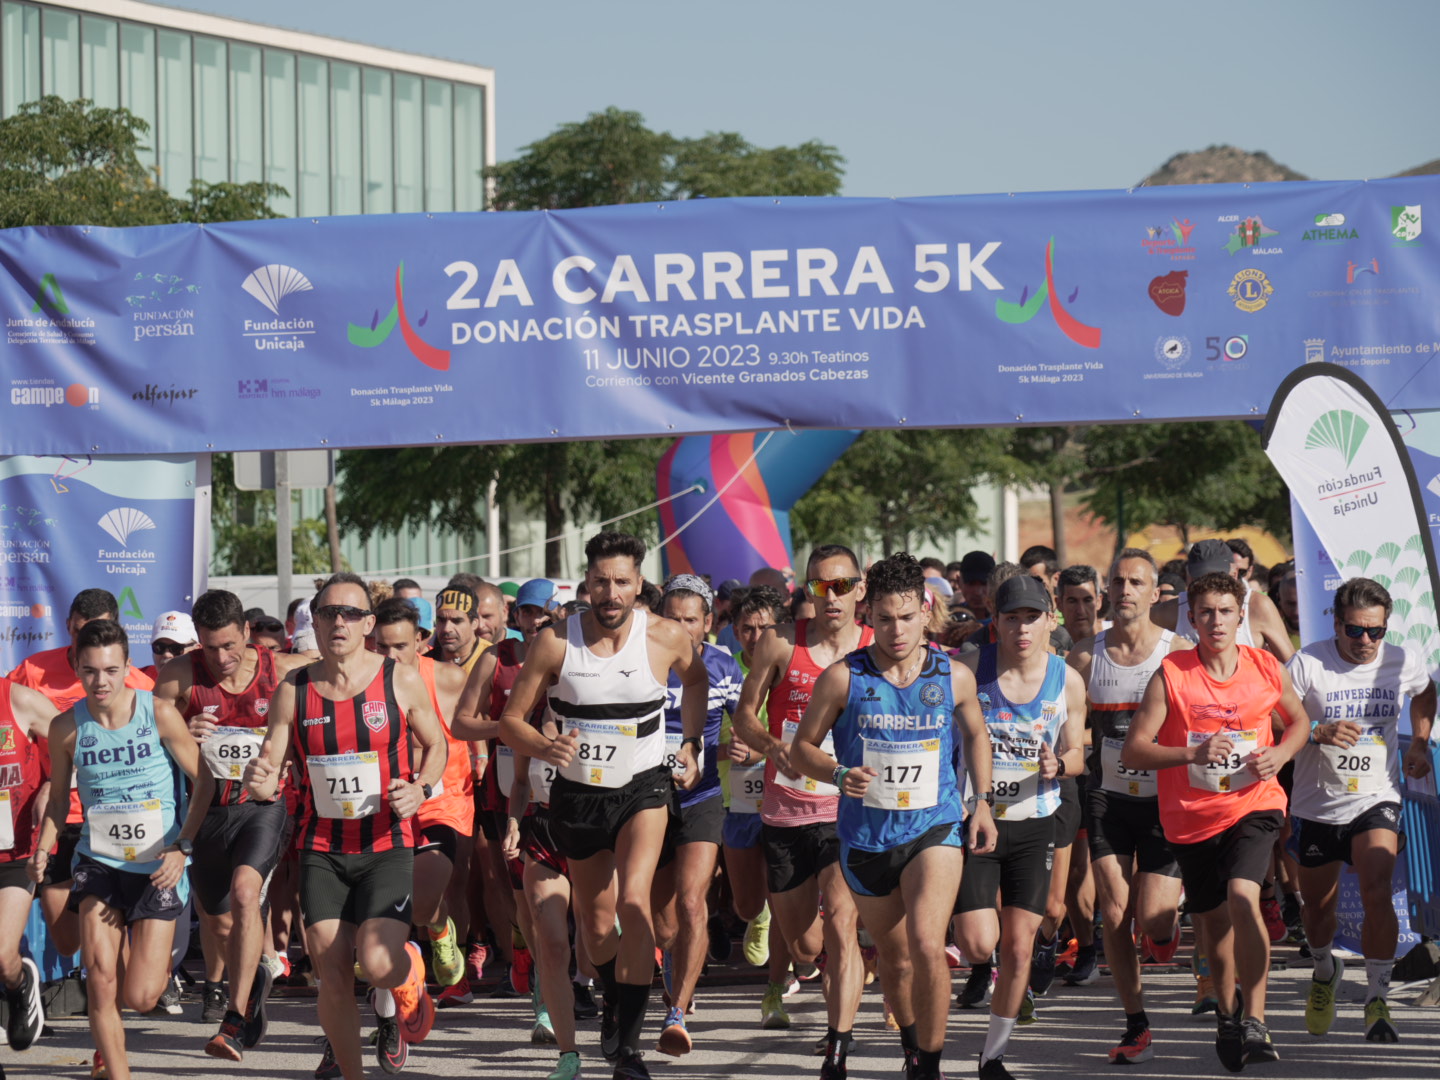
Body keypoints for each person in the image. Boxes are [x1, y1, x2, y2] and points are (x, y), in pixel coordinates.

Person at [498, 532, 707, 1080]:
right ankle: (616, 999)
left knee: (635, 903)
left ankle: (629, 1050)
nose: (610, 594)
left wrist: (691, 744)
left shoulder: (665, 636)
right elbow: (510, 721)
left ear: (639, 584)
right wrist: (545, 745)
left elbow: (697, 683)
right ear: (585, 583)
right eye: (600, 582)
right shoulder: (554, 642)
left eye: (621, 582)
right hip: (578, 795)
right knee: (595, 929)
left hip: (644, 788)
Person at [793, 553, 998, 1080]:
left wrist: (983, 801)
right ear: (868, 615)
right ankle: (912, 1043)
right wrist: (839, 775)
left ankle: (929, 1067)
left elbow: (976, 733)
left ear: (925, 610)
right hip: (866, 838)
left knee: (930, 944)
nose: (896, 629)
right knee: (896, 958)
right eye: (884, 619)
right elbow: (802, 749)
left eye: (906, 617)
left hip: (935, 826)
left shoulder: (952, 675)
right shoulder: (843, 678)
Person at [243, 573, 447, 1080]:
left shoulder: (397, 678)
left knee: (377, 963)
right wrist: (260, 778)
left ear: (369, 624)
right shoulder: (294, 688)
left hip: (385, 843)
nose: (340, 621)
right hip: (322, 849)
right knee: (331, 974)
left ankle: (408, 973)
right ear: (314, 619)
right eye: (329, 612)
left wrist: (420, 787)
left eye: (351, 613)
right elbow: (270, 765)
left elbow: (437, 744)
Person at [1122, 572, 1310, 1071]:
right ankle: (1227, 1012)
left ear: (1240, 614)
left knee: (1244, 895)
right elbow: (1136, 748)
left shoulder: (1265, 667)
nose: (1216, 621)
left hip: (1255, 803)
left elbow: (1300, 721)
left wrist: (1281, 754)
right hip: (1192, 818)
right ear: (1193, 617)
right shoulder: (1173, 674)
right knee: (1213, 925)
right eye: (1205, 612)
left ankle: (1256, 1017)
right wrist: (1192, 753)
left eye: (1225, 611)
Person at [29, 619, 211, 1080]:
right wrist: (45, 846)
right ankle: (117, 1068)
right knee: (99, 974)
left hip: (158, 866)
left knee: (141, 996)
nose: (101, 681)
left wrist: (182, 847)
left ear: (127, 667)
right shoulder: (66, 727)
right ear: (77, 668)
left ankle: (115, 1041)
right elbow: (56, 799)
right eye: (90, 671)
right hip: (99, 861)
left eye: (111, 670)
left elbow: (204, 781)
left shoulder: (159, 713)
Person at [731, 544, 873, 1079]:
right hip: (787, 810)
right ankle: (820, 968)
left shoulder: (873, 644)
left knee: (841, 924)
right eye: (820, 585)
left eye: (841, 585)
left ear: (859, 588)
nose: (830, 596)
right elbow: (745, 716)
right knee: (806, 944)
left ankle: (838, 1041)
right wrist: (772, 746)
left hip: (847, 809)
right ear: (806, 588)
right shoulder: (779, 644)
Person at [153, 589, 309, 1059]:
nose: (221, 658)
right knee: (220, 925)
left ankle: (234, 1021)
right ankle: (260, 970)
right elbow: (153, 733)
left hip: (265, 807)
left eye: (229, 645)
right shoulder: (178, 677)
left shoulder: (281, 670)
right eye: (208, 647)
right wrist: (183, 730)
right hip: (208, 810)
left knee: (247, 892)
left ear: (246, 632)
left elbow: (327, 705)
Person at [1288, 577, 1436, 1043]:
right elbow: (1274, 715)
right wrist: (1316, 730)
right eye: (1355, 631)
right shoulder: (1308, 663)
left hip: (1378, 796)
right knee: (1318, 910)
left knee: (1376, 885)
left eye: (1376, 631)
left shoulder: (1400, 660)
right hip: (1318, 803)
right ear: (1336, 623)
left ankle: (1377, 998)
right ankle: (1324, 968)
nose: (1366, 642)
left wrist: (1422, 741)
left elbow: (1426, 691)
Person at [955, 574, 1086, 1080]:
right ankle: (978, 969)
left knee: (1018, 946)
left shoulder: (1066, 679)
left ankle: (993, 1056)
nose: (1023, 628)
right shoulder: (968, 670)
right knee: (976, 944)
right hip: (978, 822)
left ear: (1050, 621)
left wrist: (1062, 765)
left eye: (1033, 617)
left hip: (1035, 823)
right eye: (1012, 618)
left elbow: (1077, 751)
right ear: (997, 622)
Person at [1065, 550, 1192, 1064]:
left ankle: (1165, 931)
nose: (1124, 591)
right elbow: (1066, 726)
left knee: (1153, 918)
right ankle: (1136, 1022)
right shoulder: (1084, 656)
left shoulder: (1178, 652)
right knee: (1114, 910)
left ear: (1155, 591)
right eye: (1116, 582)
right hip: (1108, 799)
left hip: (1166, 803)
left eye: (1136, 582)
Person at [8, 588, 154, 965]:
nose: (82, 640)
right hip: (60, 817)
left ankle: (115, 993)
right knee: (67, 938)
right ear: (67, 627)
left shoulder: (139, 684)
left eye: (93, 631)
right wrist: (45, 783)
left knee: (105, 924)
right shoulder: (34, 671)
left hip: (115, 815)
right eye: (74, 631)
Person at [650, 575, 742, 1057]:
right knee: (663, 924)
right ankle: (673, 963)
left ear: (708, 622)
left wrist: (745, 741)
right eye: (674, 618)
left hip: (701, 797)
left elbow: (744, 717)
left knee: (692, 903)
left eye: (692, 620)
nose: (683, 629)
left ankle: (677, 1013)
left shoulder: (723, 665)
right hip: (646, 800)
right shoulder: (643, 660)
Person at [368, 598, 474, 1008]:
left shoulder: (448, 677)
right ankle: (398, 970)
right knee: (392, 896)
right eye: (381, 646)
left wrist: (482, 758)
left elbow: (465, 726)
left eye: (399, 646)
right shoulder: (361, 681)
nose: (389, 655)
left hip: (437, 799)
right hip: (383, 802)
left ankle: (439, 928)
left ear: (420, 640)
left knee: (424, 897)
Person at [720, 586, 794, 1028]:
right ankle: (758, 914)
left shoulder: (793, 670)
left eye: (764, 626)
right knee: (748, 905)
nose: (755, 635)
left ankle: (774, 991)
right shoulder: (725, 674)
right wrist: (730, 752)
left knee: (785, 902)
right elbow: (703, 745)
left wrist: (764, 753)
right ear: (734, 631)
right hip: (739, 805)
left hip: (786, 801)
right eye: (746, 628)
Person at [0, 674, 57, 1056]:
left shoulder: (18, 700)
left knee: (3, 957)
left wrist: (51, 789)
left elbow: (76, 748)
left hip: (15, 852)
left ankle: (19, 984)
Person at [1151, 540, 1294, 662]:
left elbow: (1293, 666)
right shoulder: (1169, 612)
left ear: (1235, 573)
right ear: (1188, 576)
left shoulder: (1257, 605)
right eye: (1200, 578)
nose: (1209, 584)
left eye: (1218, 577)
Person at [142, 610, 199, 680]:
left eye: (176, 648)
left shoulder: (209, 686)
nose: (167, 654)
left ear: (197, 650)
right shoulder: (138, 680)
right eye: (159, 647)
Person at [956, 552, 996, 622]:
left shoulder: (1007, 621)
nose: (978, 592)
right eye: (971, 584)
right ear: (959, 581)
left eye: (984, 583)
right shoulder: (947, 621)